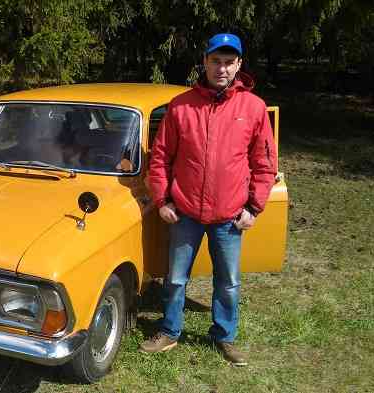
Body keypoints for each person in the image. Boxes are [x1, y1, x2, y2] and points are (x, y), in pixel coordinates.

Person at [139, 33, 277, 366]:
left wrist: (254, 207)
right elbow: (159, 158)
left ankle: (224, 336)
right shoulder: (181, 105)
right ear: (205, 62)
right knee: (174, 278)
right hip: (184, 212)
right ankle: (170, 331)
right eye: (216, 61)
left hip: (230, 215)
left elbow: (265, 164)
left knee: (228, 282)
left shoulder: (254, 108)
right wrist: (163, 200)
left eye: (229, 62)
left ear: (239, 65)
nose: (222, 68)